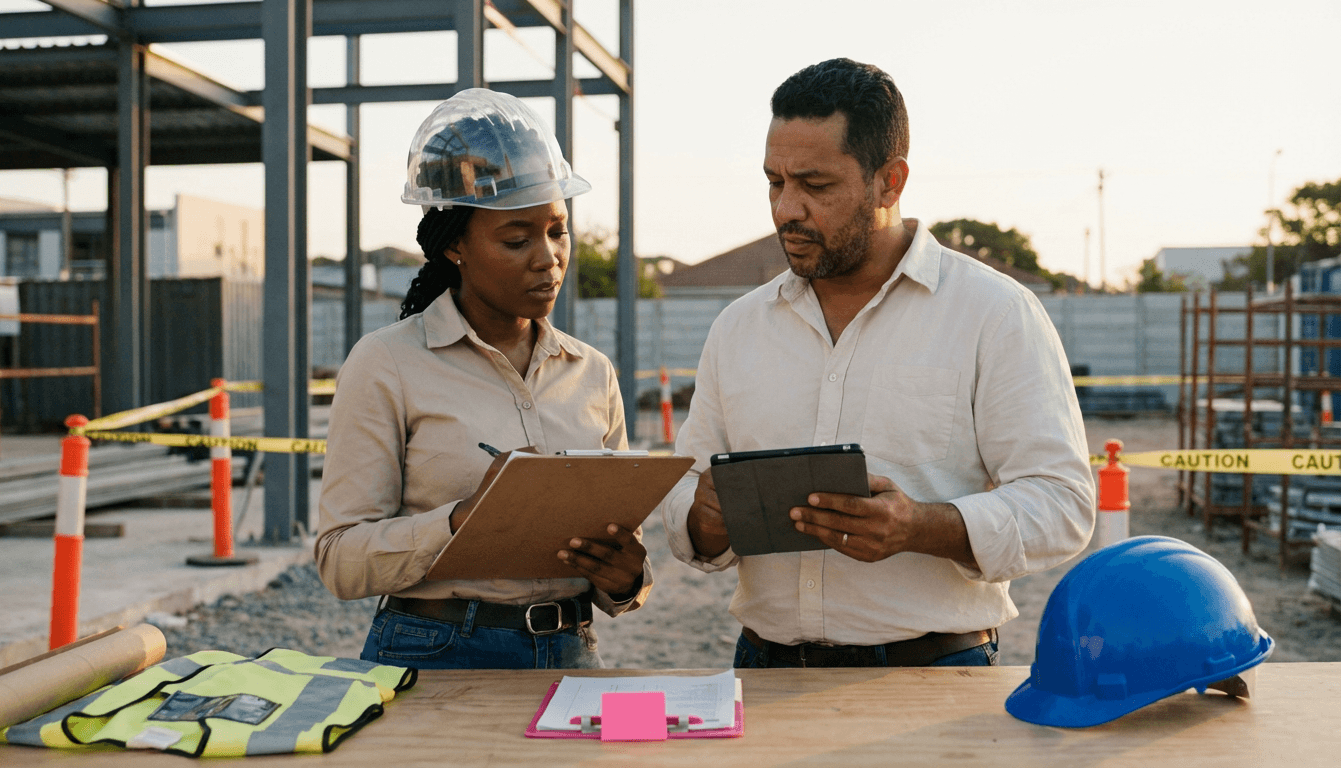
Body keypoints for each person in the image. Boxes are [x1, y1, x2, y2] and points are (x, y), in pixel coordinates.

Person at [658, 59, 1096, 668]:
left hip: (933, 673)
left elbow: (1063, 503)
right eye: (774, 182)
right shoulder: (738, 329)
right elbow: (688, 496)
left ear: (890, 182)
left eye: (814, 185)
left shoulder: (994, 314)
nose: (786, 208)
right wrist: (704, 518)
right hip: (764, 672)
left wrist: (921, 526)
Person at [315, 88, 651, 670]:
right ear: (456, 250)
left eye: (557, 230)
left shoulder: (592, 373)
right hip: (435, 652)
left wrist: (627, 579)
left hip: (571, 650)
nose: (548, 257)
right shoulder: (387, 363)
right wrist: (461, 521)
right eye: (517, 240)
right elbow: (340, 561)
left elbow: (616, 561)